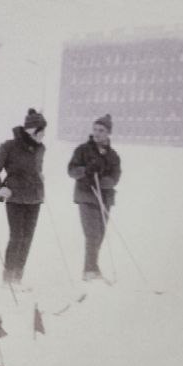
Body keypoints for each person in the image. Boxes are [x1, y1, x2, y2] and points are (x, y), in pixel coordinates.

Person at [0, 109, 48, 286]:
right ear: (31, 130)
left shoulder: (41, 148)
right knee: (17, 236)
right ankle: (8, 276)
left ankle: (18, 277)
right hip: (15, 197)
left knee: (28, 238)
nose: (43, 134)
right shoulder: (9, 146)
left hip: (35, 198)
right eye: (41, 130)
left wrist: (39, 176)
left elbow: (36, 168)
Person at [67, 114, 122, 282]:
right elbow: (71, 170)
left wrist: (106, 181)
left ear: (108, 133)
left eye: (102, 130)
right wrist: (87, 171)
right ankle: (89, 271)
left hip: (104, 198)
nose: (97, 133)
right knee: (92, 234)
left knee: (100, 234)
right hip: (86, 196)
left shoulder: (113, 155)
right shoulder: (83, 150)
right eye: (95, 129)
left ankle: (93, 267)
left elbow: (115, 177)